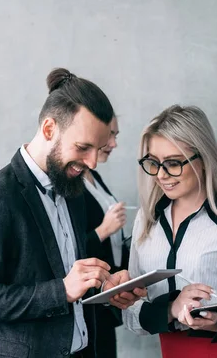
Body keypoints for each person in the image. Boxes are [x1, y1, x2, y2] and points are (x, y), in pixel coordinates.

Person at [0, 68, 144, 358]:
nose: (92, 162)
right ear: (48, 129)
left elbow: (67, 277)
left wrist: (106, 287)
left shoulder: (73, 190)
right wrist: (62, 291)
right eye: (83, 147)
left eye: (99, 149)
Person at [122, 105, 217, 358]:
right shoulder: (146, 219)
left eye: (173, 163)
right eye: (153, 163)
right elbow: (131, 315)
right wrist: (172, 308)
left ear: (204, 159)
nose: (161, 175)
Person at [82, 115, 129, 358]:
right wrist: (105, 230)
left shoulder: (94, 177)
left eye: (115, 135)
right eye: (110, 135)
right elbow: (66, 247)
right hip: (89, 296)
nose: (114, 143)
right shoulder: (69, 183)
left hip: (108, 292)